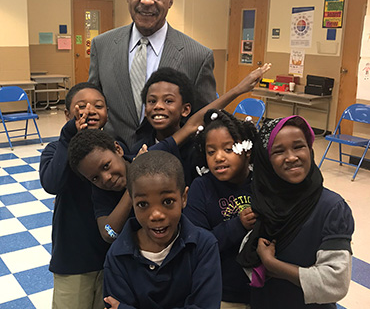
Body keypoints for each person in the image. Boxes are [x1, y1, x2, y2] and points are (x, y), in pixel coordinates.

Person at [68, 64, 271, 242]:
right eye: (95, 177)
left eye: (106, 166)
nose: (106, 177)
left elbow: (193, 124)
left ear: (118, 150)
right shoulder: (131, 162)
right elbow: (109, 233)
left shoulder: (155, 154)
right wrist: (133, 186)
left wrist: (238, 89)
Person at [88, 0, 217, 150]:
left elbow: (206, 121)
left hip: (171, 172)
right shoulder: (102, 46)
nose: (147, 1)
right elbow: (94, 108)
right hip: (112, 171)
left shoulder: (198, 56)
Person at [237, 116, 355, 309]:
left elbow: (336, 282)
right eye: (279, 151)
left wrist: (273, 265)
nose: (291, 157)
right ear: (266, 160)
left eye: (299, 146)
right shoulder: (262, 202)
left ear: (310, 149)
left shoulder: (331, 208)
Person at [103, 150, 222, 309]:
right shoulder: (117, 256)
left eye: (167, 201)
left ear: (184, 198)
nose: (156, 215)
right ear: (132, 203)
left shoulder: (203, 246)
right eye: (143, 204)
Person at [39, 82, 112, 309]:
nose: (90, 111)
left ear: (107, 114)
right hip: (72, 260)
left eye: (98, 106)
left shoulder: (114, 150)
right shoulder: (56, 149)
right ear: (67, 114)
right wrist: (68, 136)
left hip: (110, 258)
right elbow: (52, 183)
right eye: (81, 106)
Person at [184, 109, 258, 308]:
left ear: (247, 150)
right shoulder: (201, 188)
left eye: (228, 149)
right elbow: (196, 245)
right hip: (221, 292)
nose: (218, 157)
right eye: (211, 152)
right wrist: (238, 225)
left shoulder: (261, 184)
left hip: (263, 292)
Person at [131, 67, 199, 186]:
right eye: (152, 101)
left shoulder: (196, 150)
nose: (158, 106)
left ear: (185, 109)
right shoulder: (140, 148)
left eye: (168, 101)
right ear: (145, 111)